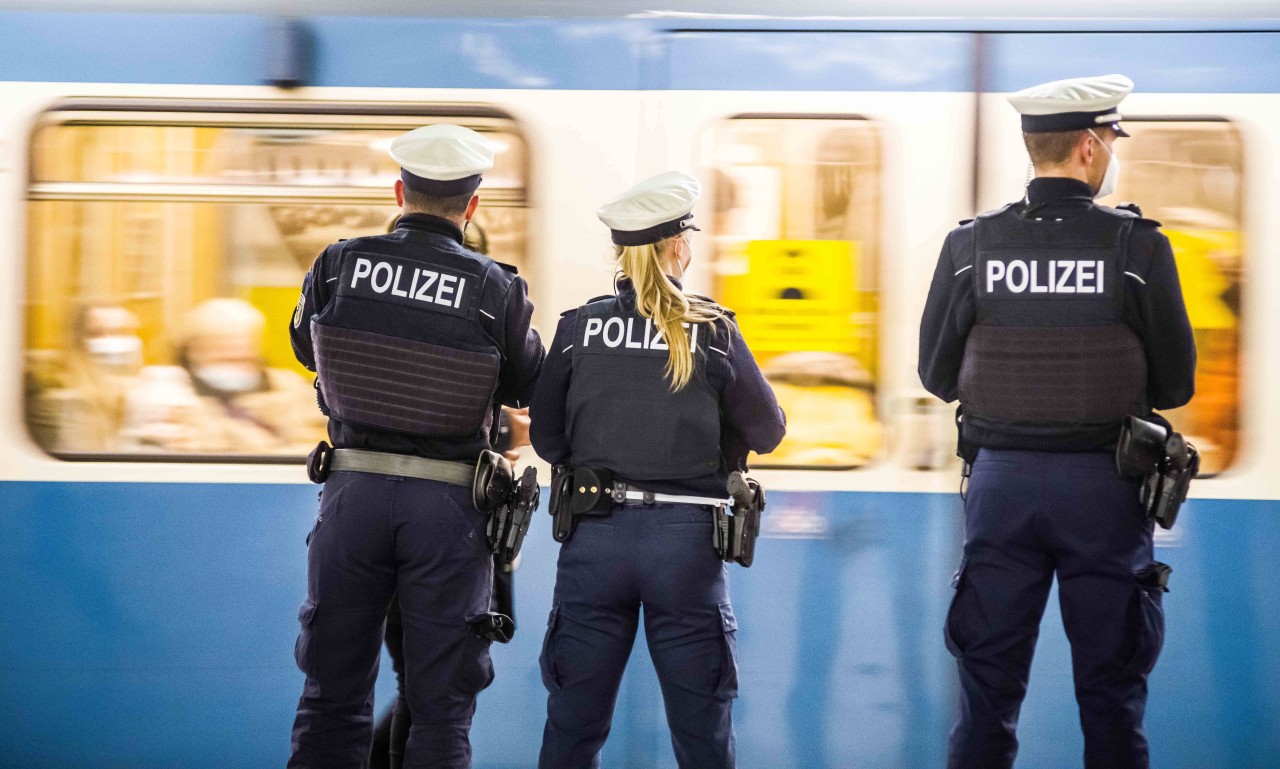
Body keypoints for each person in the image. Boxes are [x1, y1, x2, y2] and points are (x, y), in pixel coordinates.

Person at [918, 74, 1196, 769]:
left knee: (987, 693)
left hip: (1001, 489)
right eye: (1109, 140)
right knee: (1111, 695)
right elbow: (1176, 383)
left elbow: (935, 373)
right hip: (1105, 488)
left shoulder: (971, 247)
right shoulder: (1138, 248)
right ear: (1090, 147)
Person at [286, 123, 544, 769]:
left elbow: (302, 348)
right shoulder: (495, 286)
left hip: (352, 499)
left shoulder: (338, 263)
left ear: (400, 191)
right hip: (448, 511)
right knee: (439, 705)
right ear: (473, 205)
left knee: (331, 693)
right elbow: (524, 382)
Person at [529, 171, 786, 769]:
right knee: (703, 737)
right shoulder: (712, 329)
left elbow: (547, 439)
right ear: (678, 246)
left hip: (595, 542)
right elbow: (768, 431)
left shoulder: (577, 330)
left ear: (621, 252)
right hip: (686, 549)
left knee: (573, 729)